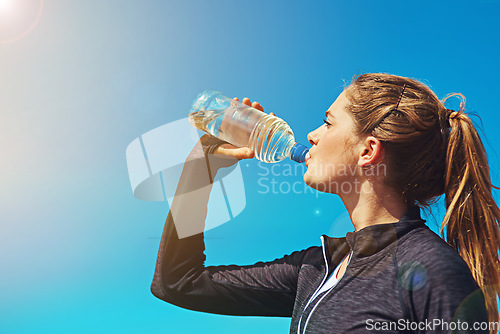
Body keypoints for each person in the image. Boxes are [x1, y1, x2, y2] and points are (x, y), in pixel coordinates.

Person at [150, 73, 500, 333]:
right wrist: (202, 169)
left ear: (368, 150)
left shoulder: (435, 270)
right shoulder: (316, 268)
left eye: (328, 122)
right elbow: (178, 283)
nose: (312, 136)